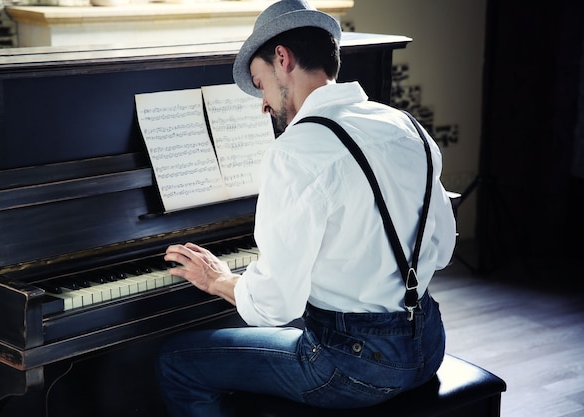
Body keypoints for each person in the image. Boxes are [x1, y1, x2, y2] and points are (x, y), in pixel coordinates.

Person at [155, 1, 457, 416]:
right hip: (428, 345)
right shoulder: (406, 125)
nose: (263, 104)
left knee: (177, 361)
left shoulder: (296, 151)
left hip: (352, 368)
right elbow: (441, 251)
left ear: (283, 59)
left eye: (260, 84)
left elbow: (275, 305)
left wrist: (220, 279)